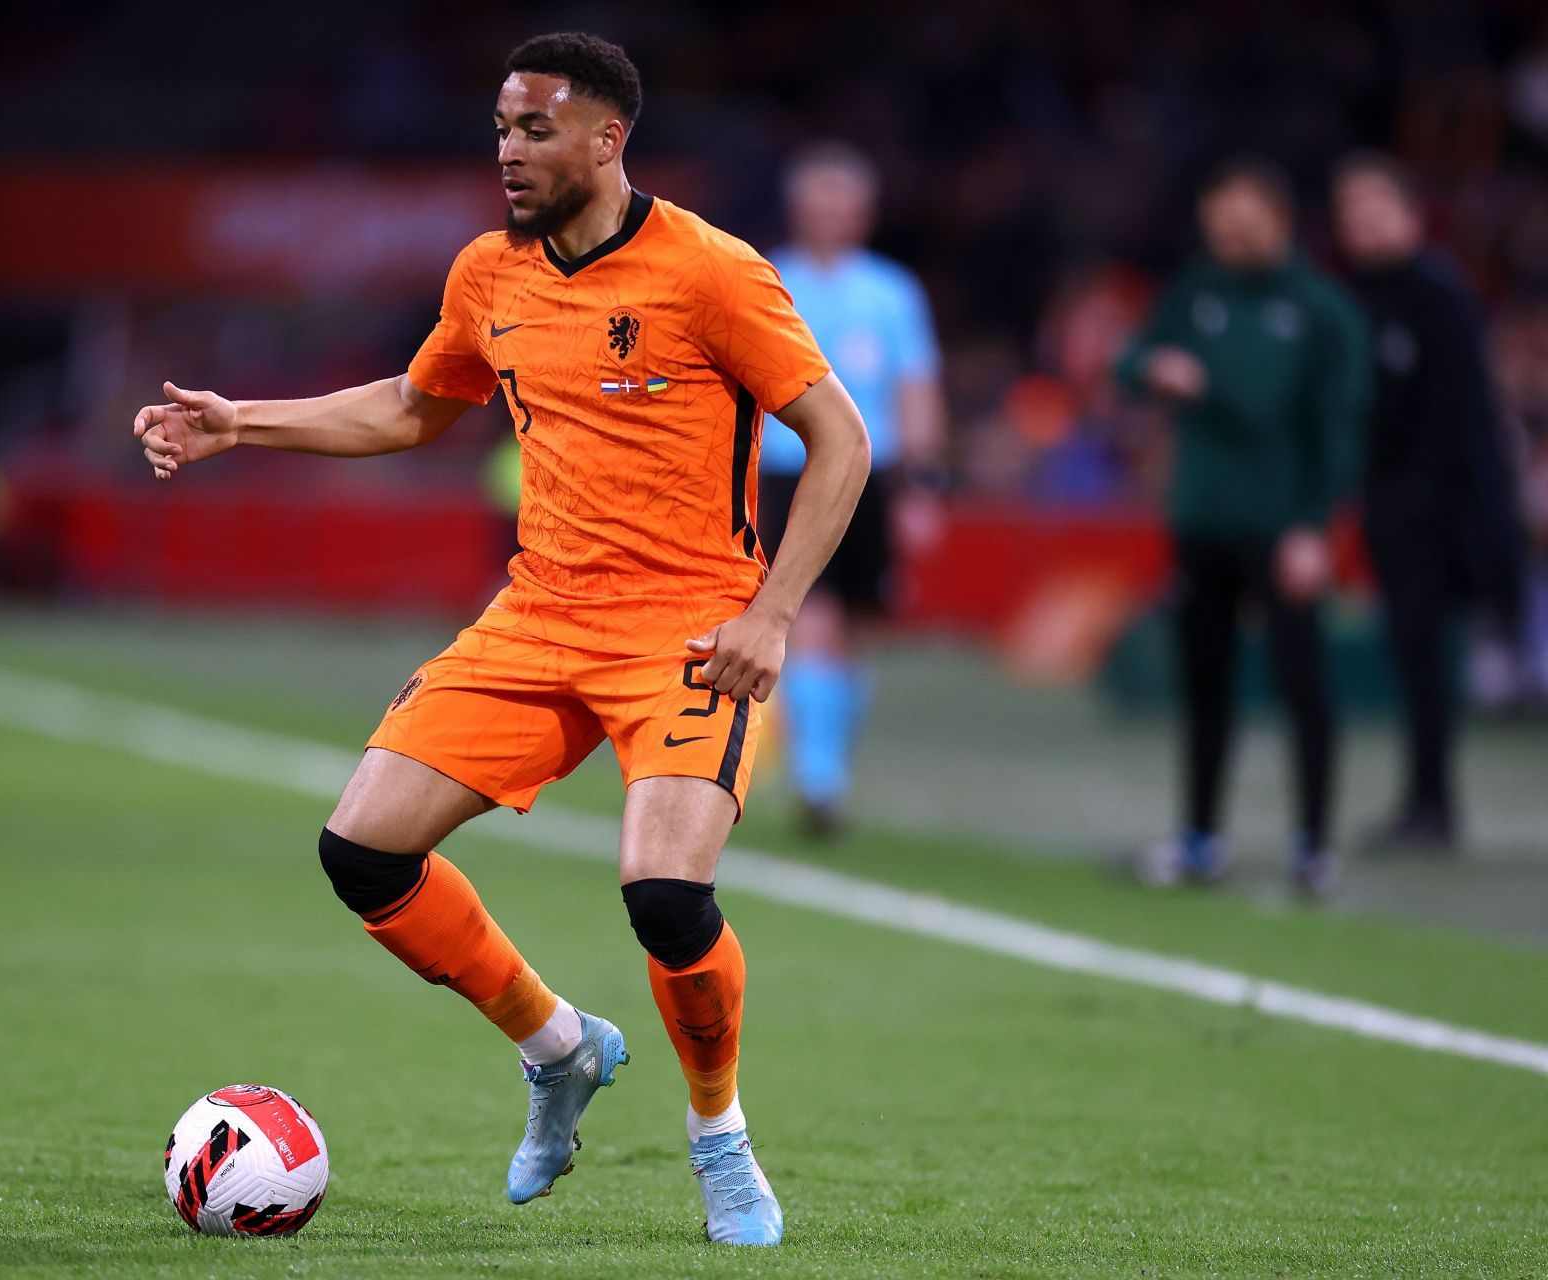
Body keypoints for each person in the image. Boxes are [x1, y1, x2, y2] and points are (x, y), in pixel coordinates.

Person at [132, 33, 869, 1246]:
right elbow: (418, 404)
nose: (508, 152)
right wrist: (239, 423)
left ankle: (718, 1134)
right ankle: (559, 1047)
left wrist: (771, 615)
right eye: (499, 129)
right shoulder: (490, 271)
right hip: (538, 615)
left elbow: (839, 440)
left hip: (686, 629)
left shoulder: (711, 272)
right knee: (363, 851)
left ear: (606, 140)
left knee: (667, 895)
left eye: (534, 129)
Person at [1114, 157, 1372, 896]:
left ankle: (1314, 844)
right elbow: (1131, 359)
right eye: (1218, 226)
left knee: (1302, 682)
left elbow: (1339, 428)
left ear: (1279, 220)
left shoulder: (1322, 310)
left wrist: (1314, 526)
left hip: (1283, 526)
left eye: (1242, 226)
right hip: (1203, 521)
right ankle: (1200, 838)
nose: (1228, 238)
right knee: (1204, 682)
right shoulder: (1197, 293)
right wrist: (1151, 368)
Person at [1331, 151, 1529, 854]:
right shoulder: (1360, 297)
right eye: (1352, 212)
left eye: (1376, 209)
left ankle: (1432, 803)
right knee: (1411, 655)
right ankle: (1425, 798)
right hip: (1390, 506)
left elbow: (1460, 415)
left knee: (1428, 656)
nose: (1363, 223)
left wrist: (1431, 498)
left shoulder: (1438, 295)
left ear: (1411, 215)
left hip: (1439, 512)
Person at [762, 142, 946, 837]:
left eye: (844, 202)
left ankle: (827, 757)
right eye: (820, 200)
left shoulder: (892, 293)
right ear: (799, 208)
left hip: (872, 472)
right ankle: (818, 774)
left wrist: (923, 483)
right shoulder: (770, 278)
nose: (832, 214)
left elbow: (915, 388)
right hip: (791, 466)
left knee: (860, 622)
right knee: (809, 610)